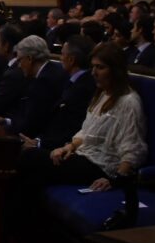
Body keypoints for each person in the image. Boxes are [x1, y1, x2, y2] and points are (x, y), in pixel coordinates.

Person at [32, 42, 148, 192]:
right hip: (85, 157)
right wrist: (68, 147)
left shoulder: (129, 102)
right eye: (93, 66)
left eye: (100, 67)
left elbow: (133, 150)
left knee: (31, 159)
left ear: (115, 71)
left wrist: (114, 179)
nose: (93, 72)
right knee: (33, 169)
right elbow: (87, 133)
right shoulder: (103, 94)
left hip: (102, 167)